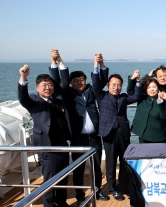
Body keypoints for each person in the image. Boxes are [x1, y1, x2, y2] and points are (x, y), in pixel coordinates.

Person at [48, 50, 110, 203]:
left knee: (96, 167)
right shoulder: (67, 94)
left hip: (94, 137)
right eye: (75, 80)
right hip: (78, 138)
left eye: (81, 79)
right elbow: (56, 81)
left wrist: (99, 64)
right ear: (70, 83)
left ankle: (97, 191)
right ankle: (80, 195)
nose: (79, 83)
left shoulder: (90, 90)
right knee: (79, 170)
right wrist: (56, 61)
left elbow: (100, 81)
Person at [18, 65, 72, 207]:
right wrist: (23, 78)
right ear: (37, 88)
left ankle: (61, 202)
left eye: (50, 85)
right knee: (49, 179)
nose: (47, 88)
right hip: (47, 147)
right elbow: (22, 97)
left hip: (62, 145)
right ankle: (48, 204)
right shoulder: (33, 101)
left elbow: (64, 82)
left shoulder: (58, 100)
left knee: (63, 177)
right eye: (44, 85)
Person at [92, 62, 142, 201]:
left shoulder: (123, 97)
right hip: (109, 134)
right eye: (113, 84)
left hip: (123, 133)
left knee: (124, 161)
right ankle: (112, 189)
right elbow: (95, 82)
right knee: (110, 163)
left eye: (119, 84)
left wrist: (137, 80)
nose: (116, 87)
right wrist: (97, 64)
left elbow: (137, 96)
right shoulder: (101, 96)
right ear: (108, 85)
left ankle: (123, 187)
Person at [129, 77, 166, 143]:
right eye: (149, 87)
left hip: (158, 136)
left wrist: (160, 102)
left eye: (154, 87)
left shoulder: (164, 99)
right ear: (146, 89)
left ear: (158, 88)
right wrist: (146, 76)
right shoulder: (142, 98)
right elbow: (131, 91)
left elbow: (164, 117)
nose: (152, 89)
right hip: (143, 134)